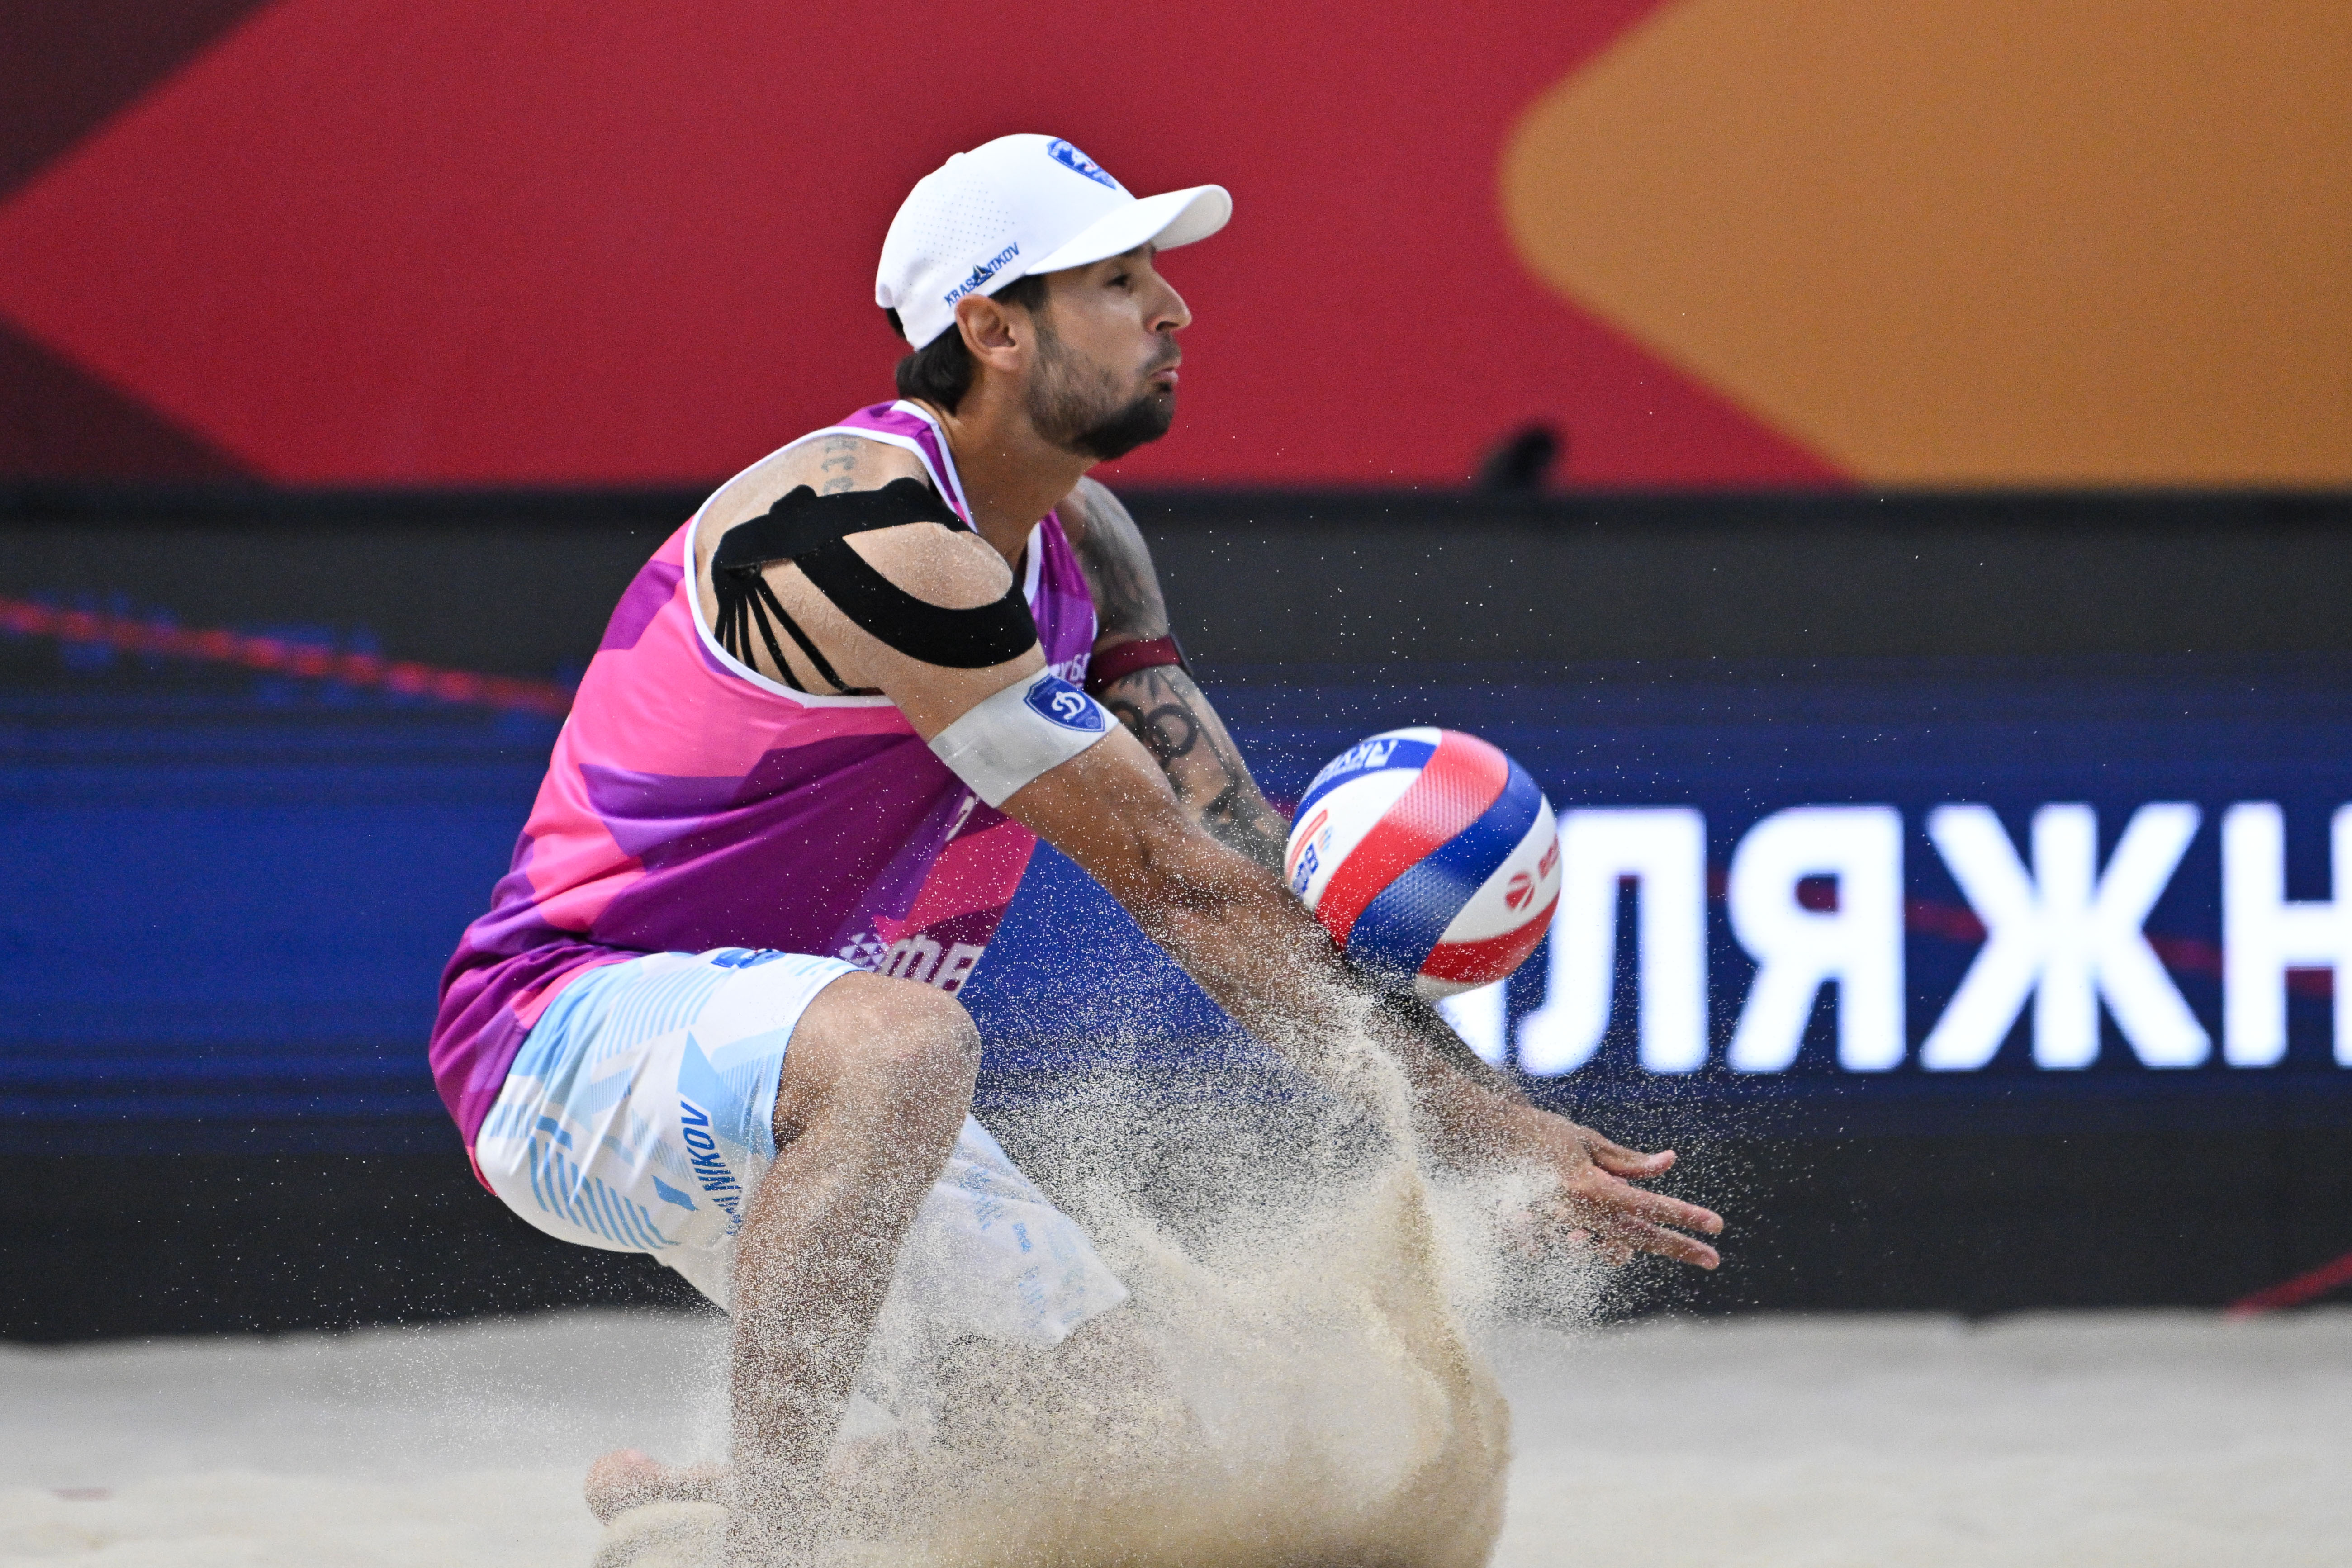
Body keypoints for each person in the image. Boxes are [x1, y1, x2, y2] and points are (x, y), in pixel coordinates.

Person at [428, 133, 1723, 1555]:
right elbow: (1179, 887)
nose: (1175, 310)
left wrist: (1453, 1072)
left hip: (815, 1074)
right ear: (992, 328)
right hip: (560, 1036)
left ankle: (700, 1507)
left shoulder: (1086, 544)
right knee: (913, 1047)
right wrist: (1483, 1127)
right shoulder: (875, 535)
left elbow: (1233, 845)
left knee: (1117, 1477)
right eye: (1118, 281)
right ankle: (774, 1541)